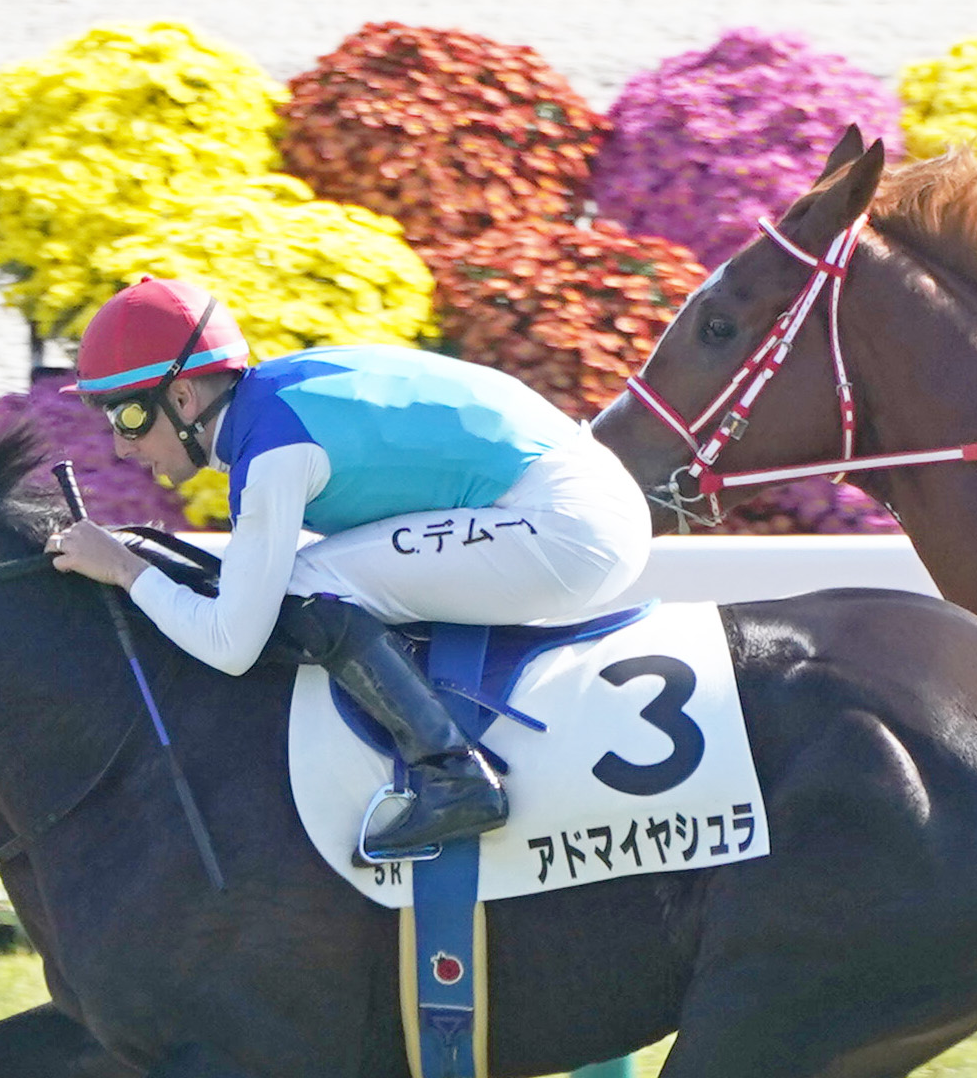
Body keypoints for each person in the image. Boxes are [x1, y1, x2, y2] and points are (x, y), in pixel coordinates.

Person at [47, 277, 652, 858]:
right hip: (573, 501)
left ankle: (453, 778)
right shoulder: (274, 399)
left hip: (568, 527)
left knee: (307, 584)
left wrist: (127, 571)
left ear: (182, 398)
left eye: (127, 417)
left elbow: (231, 644)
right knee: (300, 578)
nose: (123, 447)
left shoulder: (275, 453)